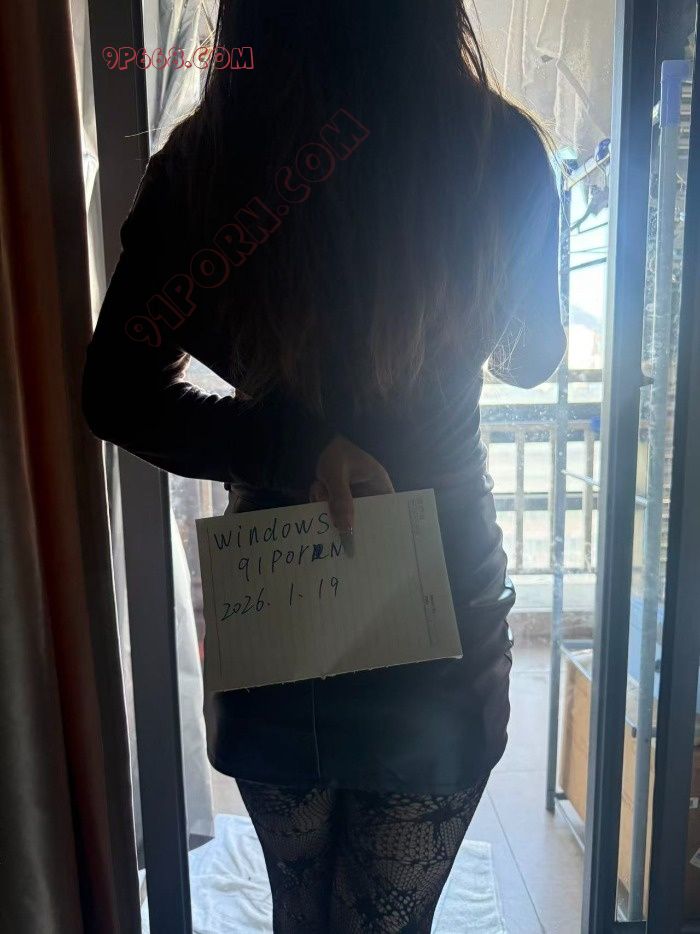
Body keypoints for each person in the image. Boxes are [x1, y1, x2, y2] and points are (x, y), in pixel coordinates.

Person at [82, 1, 565, 930]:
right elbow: (531, 357)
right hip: (438, 607)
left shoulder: (207, 164)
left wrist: (295, 446)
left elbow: (117, 392)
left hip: (279, 603)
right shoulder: (495, 150)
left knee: (300, 913)